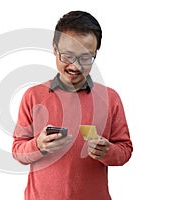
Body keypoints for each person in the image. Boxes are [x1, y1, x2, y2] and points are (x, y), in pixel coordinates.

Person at [12, 10, 133, 200]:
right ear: (54, 48)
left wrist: (108, 151)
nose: (75, 67)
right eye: (67, 56)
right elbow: (17, 151)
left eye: (86, 58)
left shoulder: (110, 98)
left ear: (95, 53)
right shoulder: (33, 96)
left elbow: (125, 151)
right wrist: (38, 145)